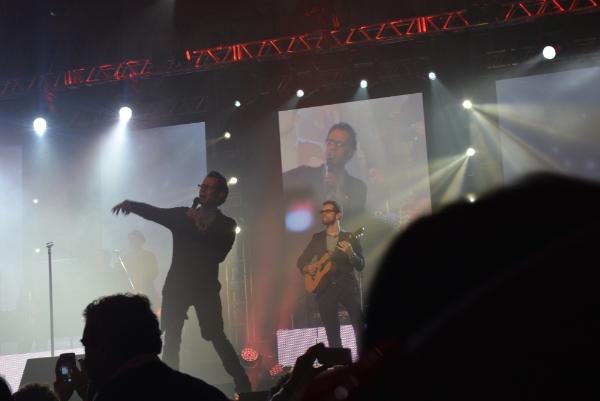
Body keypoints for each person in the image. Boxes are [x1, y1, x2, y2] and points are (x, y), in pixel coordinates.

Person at [111, 171, 251, 394]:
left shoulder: (226, 225)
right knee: (172, 337)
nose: (203, 191)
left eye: (209, 188)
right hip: (177, 287)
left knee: (216, 336)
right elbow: (156, 213)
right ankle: (168, 390)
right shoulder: (183, 216)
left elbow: (219, 255)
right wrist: (131, 205)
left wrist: (202, 226)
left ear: (221, 195)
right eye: (202, 186)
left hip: (205, 290)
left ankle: (243, 383)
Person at [54, 294, 229, 401]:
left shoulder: (112, 396)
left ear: (107, 348)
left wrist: (59, 398)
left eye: (88, 346)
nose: (85, 360)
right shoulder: (205, 393)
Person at [297, 200, 364, 350]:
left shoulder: (350, 237)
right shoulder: (317, 238)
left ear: (338, 215)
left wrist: (351, 254)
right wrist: (308, 268)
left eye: (328, 211)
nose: (324, 214)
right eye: (322, 211)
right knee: (332, 335)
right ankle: (339, 361)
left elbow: (361, 264)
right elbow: (301, 261)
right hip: (324, 289)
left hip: (347, 286)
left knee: (360, 327)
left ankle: (364, 359)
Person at [283, 122, 367, 227]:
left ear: (350, 152)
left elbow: (356, 226)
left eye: (339, 144)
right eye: (330, 142)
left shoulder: (358, 188)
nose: (332, 147)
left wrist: (340, 194)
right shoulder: (303, 174)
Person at [120, 230, 160, 310]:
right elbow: (123, 275)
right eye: (130, 240)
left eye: (134, 239)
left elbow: (154, 272)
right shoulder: (125, 258)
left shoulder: (149, 255)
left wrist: (143, 281)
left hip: (147, 290)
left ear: (141, 241)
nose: (132, 242)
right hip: (130, 291)